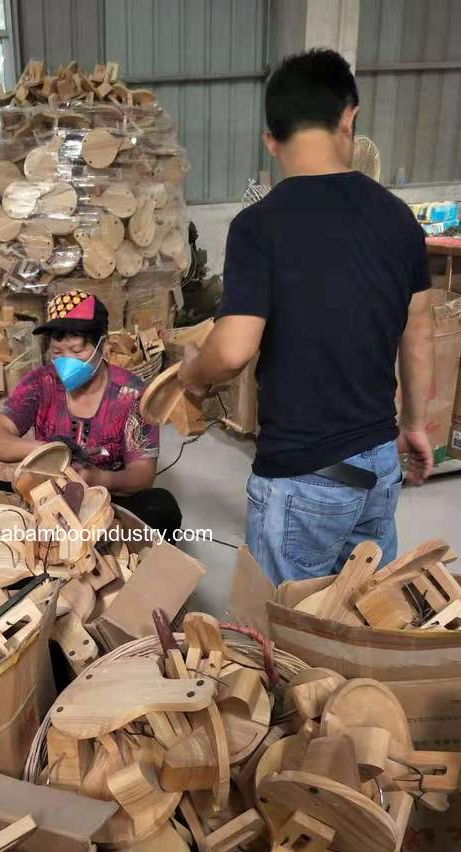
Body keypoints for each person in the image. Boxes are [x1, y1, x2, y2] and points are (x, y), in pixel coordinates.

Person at [178, 48, 434, 585]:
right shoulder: (398, 219)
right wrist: (413, 423)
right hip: (378, 459)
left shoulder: (259, 227)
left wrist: (191, 376)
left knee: (284, 631)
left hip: (303, 474)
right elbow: (418, 331)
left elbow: (232, 349)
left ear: (270, 140)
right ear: (349, 118)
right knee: (362, 612)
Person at [0, 290, 182, 539]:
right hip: (42, 496)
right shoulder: (40, 383)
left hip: (102, 501)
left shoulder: (131, 394)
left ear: (105, 348)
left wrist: (98, 478)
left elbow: (142, 475)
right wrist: (52, 452)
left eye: (77, 351)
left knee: (161, 507)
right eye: (58, 352)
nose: (66, 361)